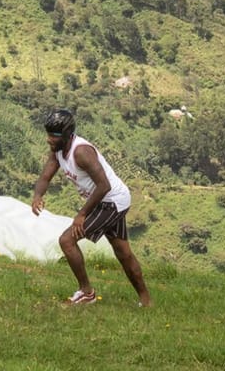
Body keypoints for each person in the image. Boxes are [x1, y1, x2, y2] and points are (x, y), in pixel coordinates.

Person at [32, 109, 151, 307]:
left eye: (54, 135)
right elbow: (46, 176)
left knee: (67, 240)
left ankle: (87, 293)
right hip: (110, 200)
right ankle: (146, 302)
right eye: (48, 134)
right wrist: (38, 196)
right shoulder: (58, 151)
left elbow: (104, 185)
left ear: (68, 134)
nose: (49, 139)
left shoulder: (81, 153)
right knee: (123, 252)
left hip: (112, 200)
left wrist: (82, 214)